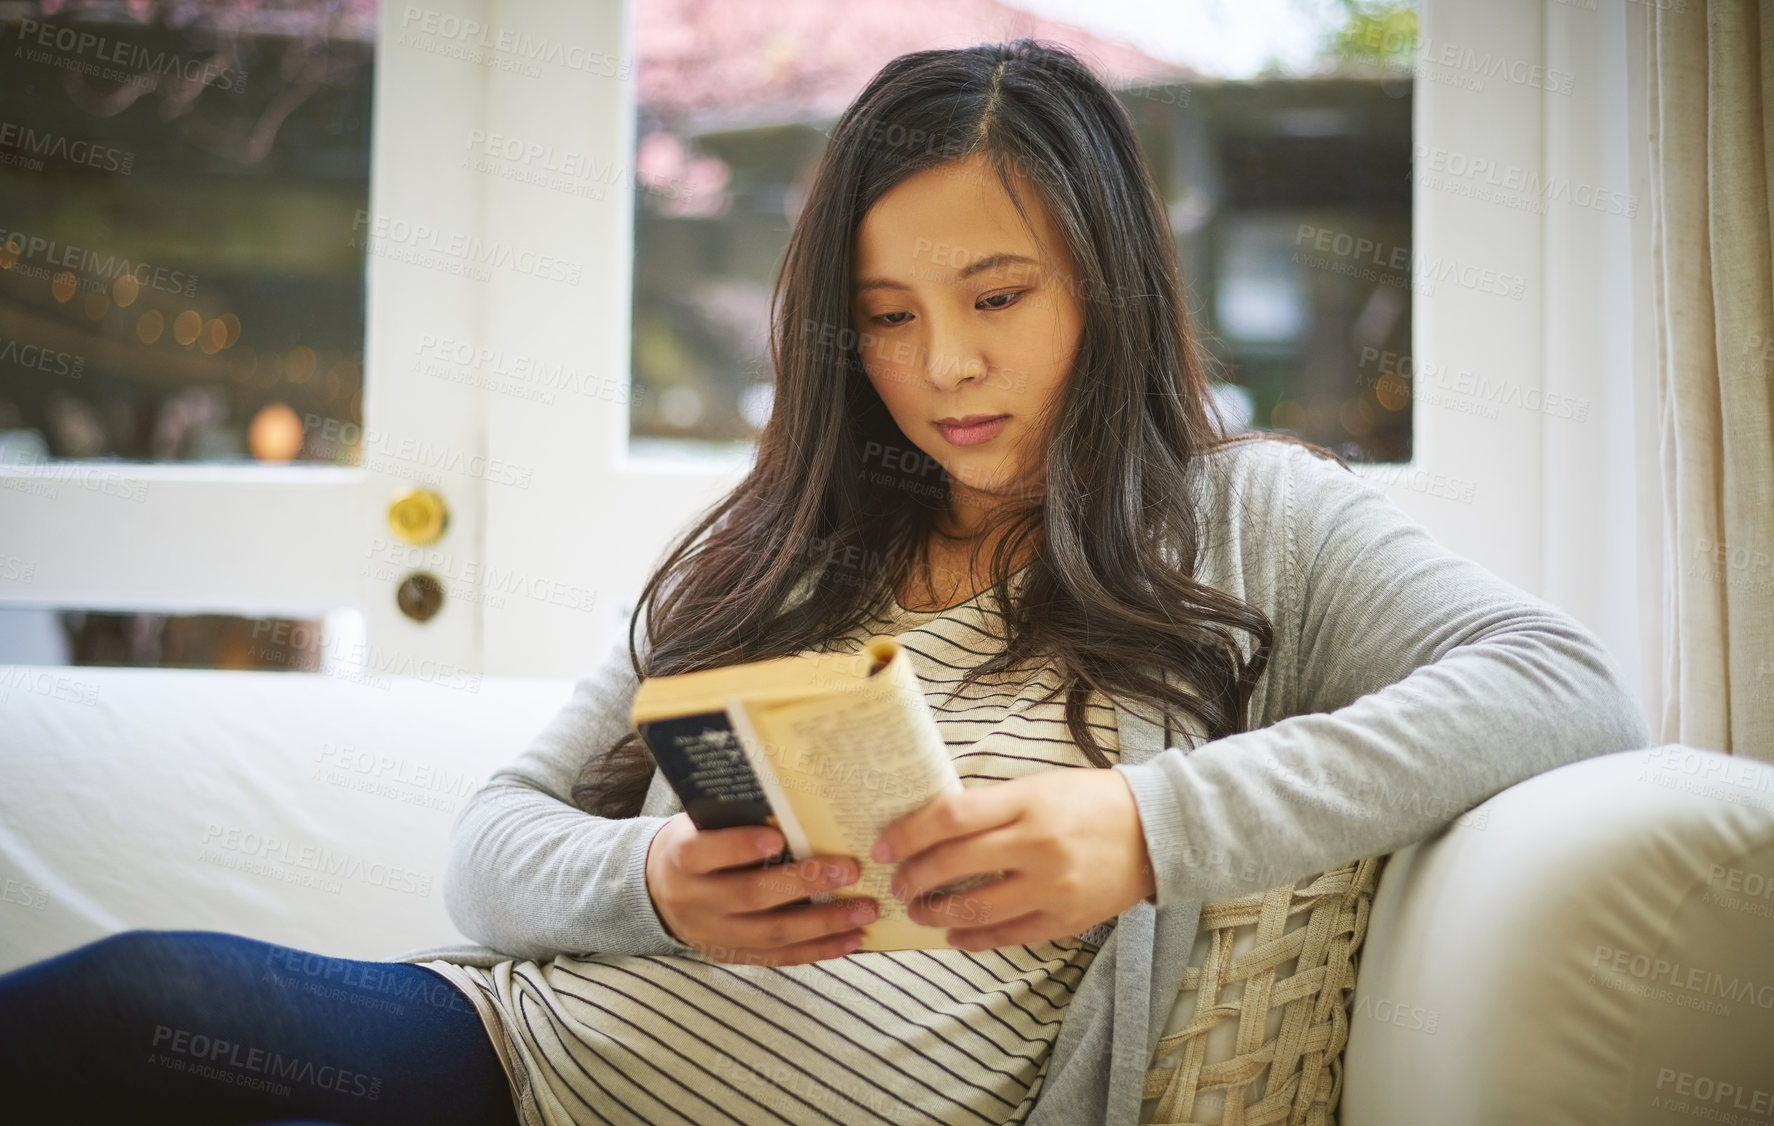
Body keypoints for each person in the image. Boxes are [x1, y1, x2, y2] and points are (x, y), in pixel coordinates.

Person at [0, 38, 1650, 1126]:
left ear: (1109, 285)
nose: (943, 366)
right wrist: (655, 880)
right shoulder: (783, 538)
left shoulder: (1247, 515)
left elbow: (1566, 685)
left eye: (998, 295)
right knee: (145, 996)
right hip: (511, 1056)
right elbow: (491, 840)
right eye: (885, 315)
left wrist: (1144, 828)